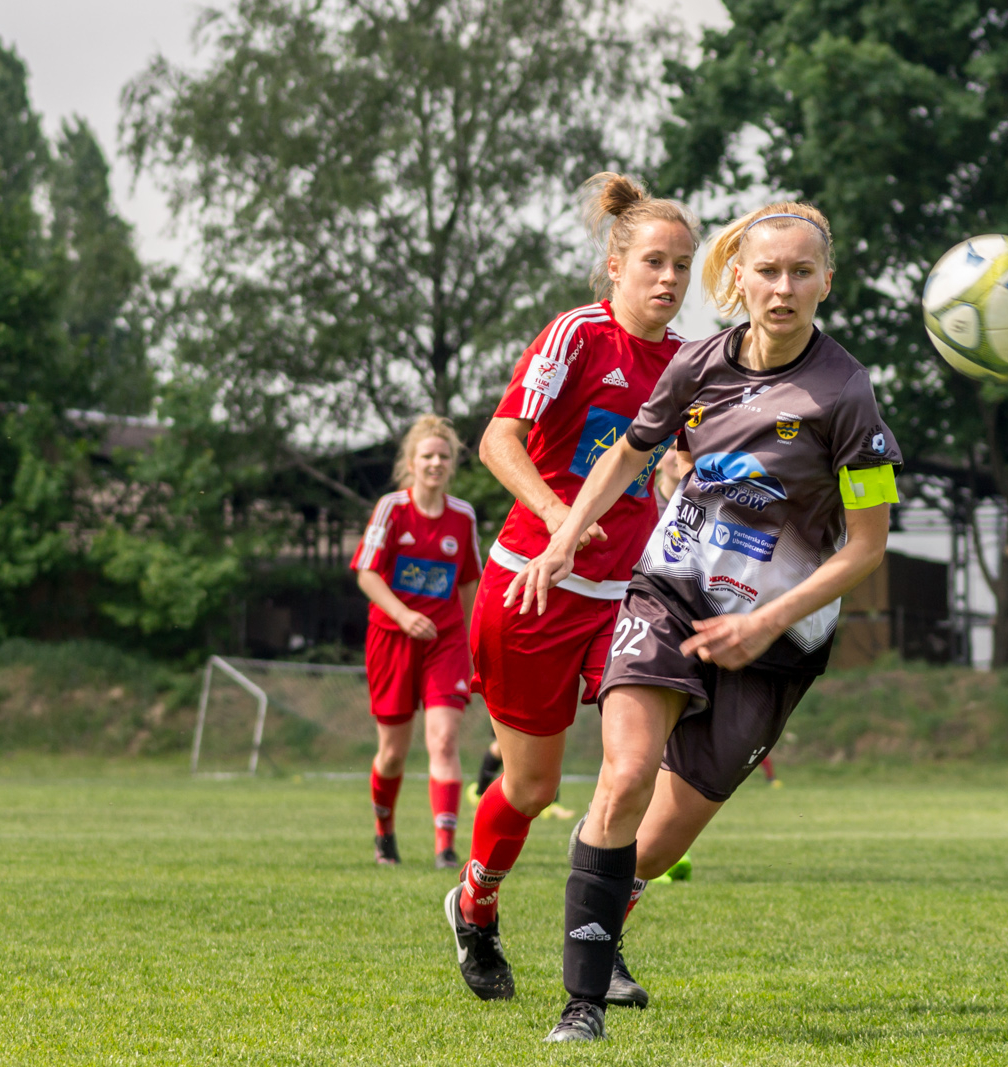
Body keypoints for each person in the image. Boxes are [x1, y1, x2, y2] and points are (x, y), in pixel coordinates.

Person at [507, 201, 901, 1042]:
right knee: (623, 776)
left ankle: (603, 906)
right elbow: (630, 451)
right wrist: (563, 539)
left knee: (654, 843)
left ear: (827, 282)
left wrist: (768, 622)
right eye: (766, 270)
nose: (783, 288)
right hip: (671, 594)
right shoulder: (697, 364)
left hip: (778, 645)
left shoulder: (847, 393)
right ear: (739, 279)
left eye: (801, 272)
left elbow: (867, 546)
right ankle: (580, 1008)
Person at [441, 172, 699, 1003]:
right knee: (532, 788)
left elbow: (675, 466)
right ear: (617, 265)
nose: (669, 280)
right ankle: (475, 905)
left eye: (683, 267)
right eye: (654, 262)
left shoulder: (683, 366)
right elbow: (498, 439)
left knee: (634, 770)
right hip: (532, 593)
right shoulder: (577, 337)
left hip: (626, 601)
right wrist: (560, 516)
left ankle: (600, 937)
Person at [351, 415, 482, 868]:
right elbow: (367, 573)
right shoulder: (391, 508)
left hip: (445, 642)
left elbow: (469, 584)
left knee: (444, 741)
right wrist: (404, 615)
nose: (435, 463)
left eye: (443, 456)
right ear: (411, 462)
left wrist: (471, 646)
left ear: (452, 464)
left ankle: (445, 847)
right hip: (392, 639)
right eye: (427, 455)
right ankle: (384, 833)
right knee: (392, 753)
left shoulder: (463, 516)